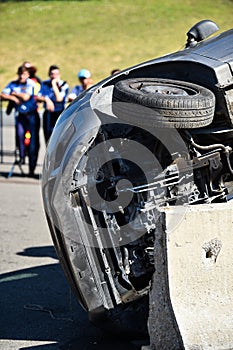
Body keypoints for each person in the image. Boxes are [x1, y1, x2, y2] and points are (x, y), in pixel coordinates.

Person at [0, 65, 40, 177]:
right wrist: (12, 98)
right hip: (20, 116)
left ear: (28, 75)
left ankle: (31, 168)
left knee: (33, 143)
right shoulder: (13, 84)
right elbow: (2, 94)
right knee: (20, 135)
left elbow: (26, 97)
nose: (22, 76)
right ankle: (22, 156)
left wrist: (14, 94)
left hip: (31, 115)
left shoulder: (31, 83)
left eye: (25, 74)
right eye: (21, 74)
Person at [37, 65, 69, 143]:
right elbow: (37, 97)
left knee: (59, 138)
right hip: (48, 113)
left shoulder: (64, 85)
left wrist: (54, 84)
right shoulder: (44, 84)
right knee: (48, 138)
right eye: (52, 74)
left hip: (59, 113)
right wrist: (46, 99)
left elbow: (59, 99)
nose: (54, 76)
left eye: (56, 74)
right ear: (49, 74)